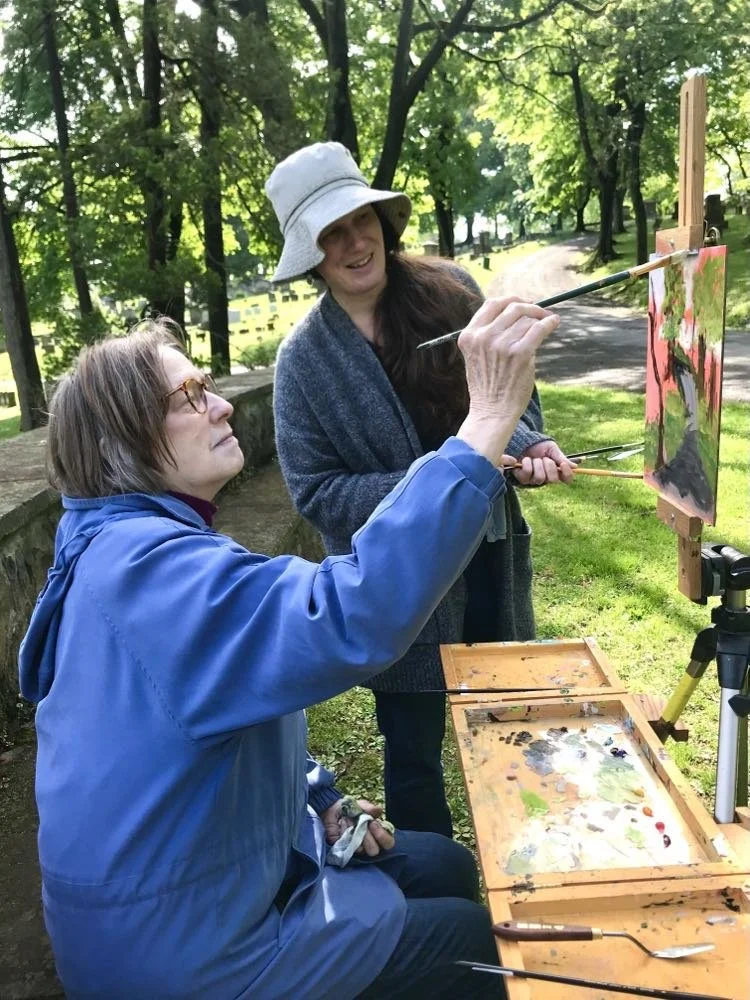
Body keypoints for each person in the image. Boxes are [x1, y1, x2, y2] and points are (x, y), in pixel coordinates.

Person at [19, 307, 558, 999]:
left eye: (207, 385)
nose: (220, 407)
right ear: (120, 437)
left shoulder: (125, 546)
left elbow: (226, 698)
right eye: (189, 397)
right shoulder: (145, 574)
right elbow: (346, 614)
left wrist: (317, 797)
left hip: (201, 884)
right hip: (183, 953)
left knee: (443, 865)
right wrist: (484, 423)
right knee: (470, 944)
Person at [267, 141, 574, 838]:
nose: (353, 243)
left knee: (510, 727)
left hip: (489, 553)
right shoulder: (303, 364)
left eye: (360, 220)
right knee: (412, 757)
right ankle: (436, 892)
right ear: (311, 254)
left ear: (382, 218)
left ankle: (524, 860)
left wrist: (529, 447)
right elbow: (317, 493)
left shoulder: (452, 292)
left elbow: (513, 402)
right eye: (330, 233)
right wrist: (437, 484)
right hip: (396, 586)